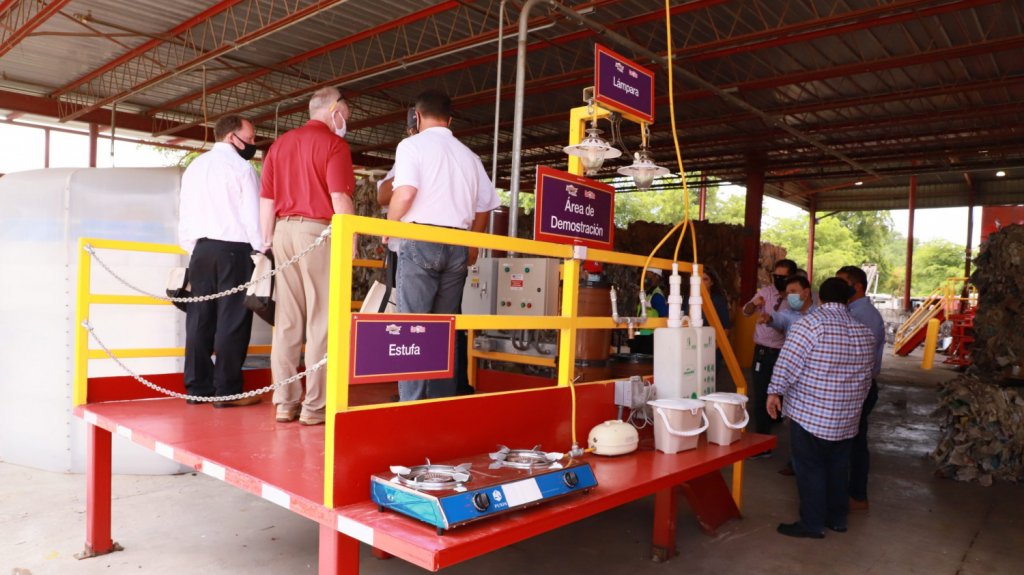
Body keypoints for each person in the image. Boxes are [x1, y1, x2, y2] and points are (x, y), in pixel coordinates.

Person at [386, 90, 500, 401]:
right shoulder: (469, 156)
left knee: (413, 327)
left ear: (417, 117)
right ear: (450, 121)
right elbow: (486, 206)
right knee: (444, 329)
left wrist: (388, 228)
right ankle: (439, 403)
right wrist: (473, 245)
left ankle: (411, 403)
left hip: (421, 239)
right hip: (458, 245)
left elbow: (405, 192)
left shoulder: (411, 145)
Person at [259, 87, 356, 425]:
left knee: (287, 321)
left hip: (282, 232)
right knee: (322, 320)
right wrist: (351, 240)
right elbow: (340, 200)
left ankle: (285, 403)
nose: (347, 120)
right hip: (318, 231)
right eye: (346, 112)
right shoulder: (334, 145)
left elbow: (266, 201)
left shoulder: (279, 145)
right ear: (334, 111)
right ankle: (316, 406)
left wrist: (267, 242)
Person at [767, 277, 874, 539]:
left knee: (810, 468)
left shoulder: (809, 326)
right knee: (838, 468)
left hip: (811, 414)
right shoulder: (864, 331)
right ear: (847, 299)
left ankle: (812, 524)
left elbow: (788, 363)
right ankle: (837, 518)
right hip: (847, 417)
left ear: (819, 298)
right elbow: (867, 375)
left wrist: (774, 391)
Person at [177, 115, 263, 408]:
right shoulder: (242, 168)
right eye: (250, 139)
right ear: (231, 137)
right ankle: (226, 390)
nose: (253, 145)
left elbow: (185, 214)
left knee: (199, 318)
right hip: (234, 250)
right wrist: (263, 249)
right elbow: (253, 217)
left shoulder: (195, 167)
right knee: (232, 320)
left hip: (200, 251)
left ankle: (197, 388)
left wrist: (193, 249)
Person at [836, 265, 886, 511]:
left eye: (842, 283)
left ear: (856, 287)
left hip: (860, 387)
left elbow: (858, 358)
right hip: (854, 386)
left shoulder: (864, 316)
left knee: (854, 443)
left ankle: (856, 495)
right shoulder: (851, 311)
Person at [741, 258, 798, 454]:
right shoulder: (766, 293)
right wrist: (755, 304)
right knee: (761, 396)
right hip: (764, 352)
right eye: (776, 276)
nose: (779, 280)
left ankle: (779, 428)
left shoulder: (795, 297)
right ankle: (762, 443)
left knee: (785, 396)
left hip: (785, 353)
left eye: (783, 277)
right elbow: (746, 312)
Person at [701, 267, 733, 391]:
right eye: (698, 279)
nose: (701, 282)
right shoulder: (689, 299)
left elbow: (726, 329)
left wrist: (712, 348)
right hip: (692, 348)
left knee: (707, 387)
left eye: (705, 279)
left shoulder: (718, 301)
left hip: (712, 350)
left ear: (712, 282)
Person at [631, 268, 667, 355]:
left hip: (650, 340)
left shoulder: (656, 296)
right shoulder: (647, 294)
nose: (645, 277)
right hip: (642, 338)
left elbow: (665, 317)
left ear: (656, 277)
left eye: (648, 274)